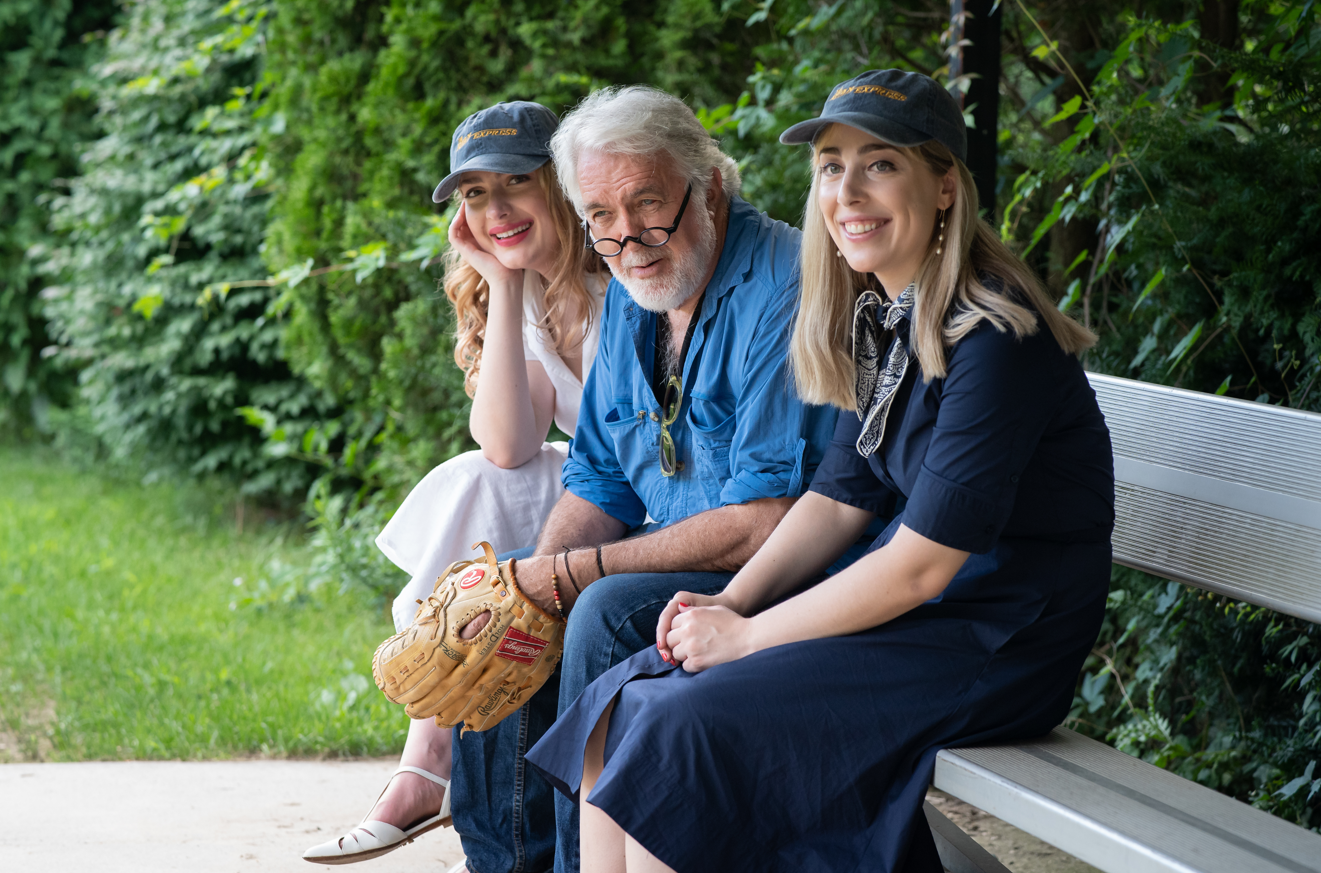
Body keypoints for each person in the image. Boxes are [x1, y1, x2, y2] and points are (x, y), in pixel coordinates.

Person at [525, 68, 1116, 873]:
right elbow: (841, 496)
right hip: (926, 623)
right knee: (622, 700)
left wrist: (747, 634)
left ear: (944, 186)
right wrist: (726, 599)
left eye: (881, 164)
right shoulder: (886, 319)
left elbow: (918, 567)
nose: (848, 191)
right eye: (832, 166)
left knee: (682, 728)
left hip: (993, 639)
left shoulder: (992, 336)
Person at [444, 85, 841, 873]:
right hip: (683, 558)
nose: (628, 238)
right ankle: (502, 863)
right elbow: (599, 480)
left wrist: (575, 572)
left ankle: (569, 862)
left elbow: (764, 518)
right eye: (602, 218)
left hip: (779, 578)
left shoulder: (785, 284)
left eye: (648, 206)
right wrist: (536, 580)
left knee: (600, 608)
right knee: (499, 608)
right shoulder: (632, 286)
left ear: (711, 184)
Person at [303, 100, 606, 865]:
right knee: (481, 475)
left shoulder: (624, 270)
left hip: (655, 502)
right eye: (473, 193)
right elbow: (508, 443)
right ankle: (429, 751)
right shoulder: (528, 292)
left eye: (513, 183)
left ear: (562, 184)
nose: (493, 208)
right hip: (600, 497)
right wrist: (502, 284)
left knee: (486, 480)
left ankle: (425, 765)